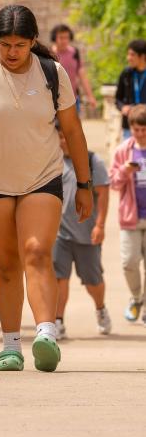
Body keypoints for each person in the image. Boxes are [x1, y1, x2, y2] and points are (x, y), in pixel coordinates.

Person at [0, 4, 92, 373]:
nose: (12, 52)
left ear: (32, 42)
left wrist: (85, 185)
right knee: (7, 265)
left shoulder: (52, 73)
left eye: (20, 45)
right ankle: (10, 345)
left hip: (42, 177)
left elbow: (73, 131)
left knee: (37, 251)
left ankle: (45, 333)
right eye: (5, 44)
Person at [53, 122, 111, 338]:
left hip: (87, 233)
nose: (62, 142)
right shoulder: (53, 161)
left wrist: (100, 225)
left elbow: (103, 194)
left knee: (92, 281)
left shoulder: (91, 160)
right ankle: (58, 321)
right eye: (59, 137)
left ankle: (100, 309)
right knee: (60, 278)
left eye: (65, 137)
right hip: (59, 233)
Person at [109, 104, 146, 324]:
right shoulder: (124, 150)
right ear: (131, 128)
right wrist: (125, 170)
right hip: (131, 216)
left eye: (144, 130)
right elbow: (113, 182)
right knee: (129, 262)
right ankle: (136, 297)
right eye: (136, 130)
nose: (140, 134)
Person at [50, 24, 97, 113]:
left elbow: (82, 76)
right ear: (54, 38)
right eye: (61, 37)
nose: (64, 41)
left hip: (73, 99)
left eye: (66, 37)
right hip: (53, 100)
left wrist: (90, 96)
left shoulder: (75, 53)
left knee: (73, 126)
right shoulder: (49, 54)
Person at [115, 39, 146, 140]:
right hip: (129, 126)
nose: (128, 58)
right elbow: (117, 99)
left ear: (142, 56)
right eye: (128, 54)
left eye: (132, 55)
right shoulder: (126, 74)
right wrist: (123, 107)